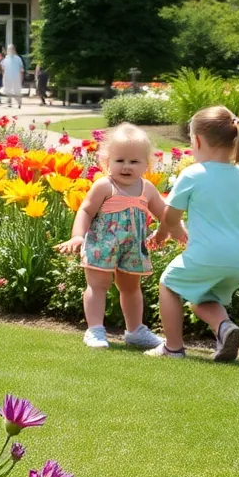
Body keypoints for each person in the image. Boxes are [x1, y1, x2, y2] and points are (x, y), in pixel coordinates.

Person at [147, 106, 239, 361]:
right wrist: (233, 230)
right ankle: (225, 327)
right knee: (202, 296)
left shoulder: (193, 174)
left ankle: (173, 348)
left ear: (197, 140)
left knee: (169, 285)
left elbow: (171, 215)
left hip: (206, 255)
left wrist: (162, 234)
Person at [55, 124, 168, 351]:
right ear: (107, 161)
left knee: (131, 288)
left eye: (134, 162)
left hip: (132, 247)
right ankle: (95, 329)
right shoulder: (105, 186)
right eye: (120, 160)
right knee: (98, 285)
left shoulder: (147, 189)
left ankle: (135, 330)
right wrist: (78, 237)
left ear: (148, 164)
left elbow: (164, 214)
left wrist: (170, 229)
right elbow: (86, 210)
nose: (126, 167)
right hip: (102, 244)